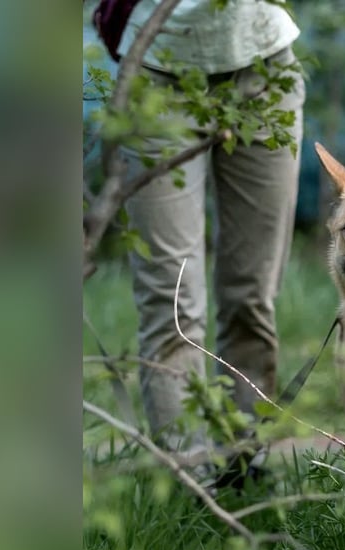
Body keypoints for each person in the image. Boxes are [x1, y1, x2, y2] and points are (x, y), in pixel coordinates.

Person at [95, 0, 305, 479]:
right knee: (172, 304)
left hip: (265, 69)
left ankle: (244, 461)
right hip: (157, 71)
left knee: (252, 294)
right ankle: (189, 478)